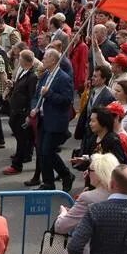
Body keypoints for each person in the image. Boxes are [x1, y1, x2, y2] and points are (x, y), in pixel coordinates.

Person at [32, 48, 75, 191]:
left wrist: (49, 94)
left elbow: (67, 101)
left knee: (47, 151)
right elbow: (37, 95)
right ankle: (48, 182)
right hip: (43, 119)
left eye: (45, 57)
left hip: (55, 121)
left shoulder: (64, 78)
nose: (42, 59)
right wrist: (35, 107)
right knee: (42, 151)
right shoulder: (46, 75)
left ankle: (65, 174)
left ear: (54, 60)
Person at [53, 152, 119, 236]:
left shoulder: (87, 198)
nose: (87, 173)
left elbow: (60, 227)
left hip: (91, 246)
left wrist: (63, 213)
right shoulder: (121, 194)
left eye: (89, 170)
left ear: (99, 173)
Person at [3, 49, 39, 175]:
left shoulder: (32, 76)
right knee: (25, 137)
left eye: (20, 58)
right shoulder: (23, 72)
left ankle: (17, 164)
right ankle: (26, 155)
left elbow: (32, 96)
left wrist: (28, 114)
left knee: (22, 138)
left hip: (22, 112)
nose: (18, 60)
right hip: (16, 109)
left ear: (25, 60)